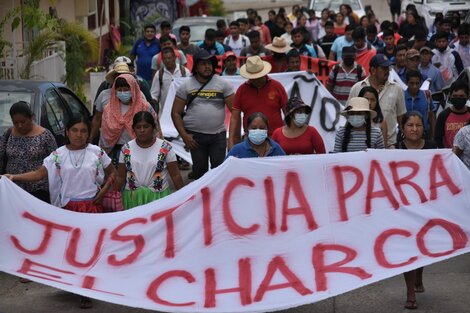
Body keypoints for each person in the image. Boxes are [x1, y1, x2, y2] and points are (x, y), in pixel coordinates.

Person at [4, 116, 115, 309]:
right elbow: (39, 173)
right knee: (73, 252)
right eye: (74, 130)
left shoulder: (97, 152)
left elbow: (113, 172)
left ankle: (86, 291)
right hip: (68, 210)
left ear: (89, 133)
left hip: (92, 208)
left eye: (83, 131)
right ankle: (78, 287)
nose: (79, 135)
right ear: (67, 132)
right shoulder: (58, 155)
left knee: (89, 250)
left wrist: (103, 191)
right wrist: (14, 177)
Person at [395, 111, 437, 310]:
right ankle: (410, 292)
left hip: (427, 206)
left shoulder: (433, 149)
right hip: (403, 208)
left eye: (418, 125)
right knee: (408, 250)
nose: (414, 129)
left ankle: (419, 275)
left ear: (424, 128)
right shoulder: (394, 150)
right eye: (410, 125)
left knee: (423, 246)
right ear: (402, 128)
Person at [171, 50, 234, 180]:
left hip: (218, 136)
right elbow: (175, 113)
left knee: (219, 171)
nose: (207, 67)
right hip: (195, 138)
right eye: (203, 64)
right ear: (196, 66)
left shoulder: (223, 84)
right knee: (199, 173)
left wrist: (232, 137)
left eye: (210, 63)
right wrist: (184, 136)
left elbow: (236, 111)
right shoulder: (186, 86)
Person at [116, 111, 183, 210]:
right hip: (133, 198)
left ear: (153, 128)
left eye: (146, 126)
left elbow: (176, 175)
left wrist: (185, 196)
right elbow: (120, 177)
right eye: (138, 127)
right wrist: (112, 195)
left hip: (159, 198)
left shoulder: (165, 148)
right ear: (133, 129)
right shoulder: (126, 149)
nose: (142, 130)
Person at [91, 74, 159, 164]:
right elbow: (104, 132)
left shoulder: (144, 106)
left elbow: (155, 127)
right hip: (114, 153)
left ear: (133, 88)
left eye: (126, 89)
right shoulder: (109, 109)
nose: (123, 92)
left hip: (140, 152)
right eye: (119, 90)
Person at [0, 101, 57, 202]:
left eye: (23, 122)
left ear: (32, 118)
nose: (19, 126)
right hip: (13, 189)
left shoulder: (45, 135)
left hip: (38, 191)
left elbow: (56, 162)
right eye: (15, 123)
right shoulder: (8, 134)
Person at [229, 56, 287, 150]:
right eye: (252, 77)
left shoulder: (277, 86)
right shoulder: (241, 90)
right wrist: (231, 143)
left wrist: (288, 136)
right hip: (250, 139)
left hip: (276, 138)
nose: (255, 79)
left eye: (258, 76)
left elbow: (287, 112)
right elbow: (234, 118)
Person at [349, 54, 407, 148]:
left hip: (390, 146)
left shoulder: (397, 89)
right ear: (373, 70)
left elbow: (401, 119)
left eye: (388, 68)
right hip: (360, 146)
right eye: (383, 68)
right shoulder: (357, 88)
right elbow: (349, 116)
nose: (387, 71)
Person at [150, 47, 190, 114]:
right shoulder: (159, 74)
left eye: (169, 58)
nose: (167, 61)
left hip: (183, 111)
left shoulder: (185, 71)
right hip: (165, 113)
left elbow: (190, 90)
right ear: (162, 60)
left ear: (174, 58)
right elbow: (154, 95)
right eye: (165, 59)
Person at [434, 79, 470, 148]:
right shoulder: (443, 115)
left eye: (461, 96)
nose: (458, 99)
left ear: (467, 96)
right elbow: (438, 139)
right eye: (455, 96)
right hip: (450, 156)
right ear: (450, 96)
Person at [404, 70, 436, 138]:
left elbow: (431, 116)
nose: (415, 86)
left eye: (417, 83)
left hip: (424, 134)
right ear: (406, 83)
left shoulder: (426, 95)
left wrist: (433, 135)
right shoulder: (401, 96)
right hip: (405, 135)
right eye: (411, 83)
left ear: (420, 83)